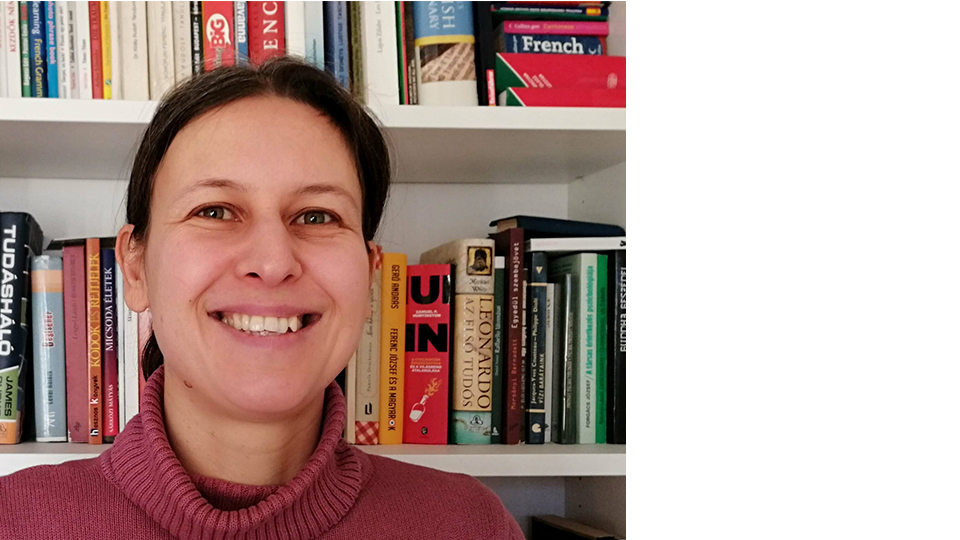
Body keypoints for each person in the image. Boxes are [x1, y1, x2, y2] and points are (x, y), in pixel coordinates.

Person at [0, 57, 524, 540]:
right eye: (215, 211)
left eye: (317, 216)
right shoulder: (15, 521)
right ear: (134, 266)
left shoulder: (470, 525)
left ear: (368, 276)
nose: (273, 262)